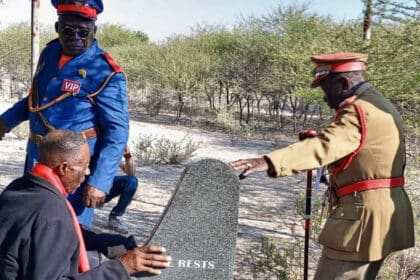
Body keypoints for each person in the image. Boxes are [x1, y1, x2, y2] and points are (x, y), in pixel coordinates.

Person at [230, 52, 414, 279]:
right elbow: (365, 155)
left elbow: (327, 145)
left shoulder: (358, 109)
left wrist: (267, 161)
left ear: (344, 83)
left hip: (362, 218)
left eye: (326, 90)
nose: (325, 98)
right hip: (383, 211)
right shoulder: (379, 103)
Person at [0, 0, 129, 227]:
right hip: (37, 157)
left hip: (72, 168)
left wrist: (100, 180)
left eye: (83, 32)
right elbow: (37, 100)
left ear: (94, 30)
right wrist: (6, 121)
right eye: (68, 30)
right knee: (30, 224)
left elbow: (117, 131)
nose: (75, 38)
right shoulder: (50, 53)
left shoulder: (105, 71)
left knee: (68, 231)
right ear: (58, 28)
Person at [0, 130, 170, 279]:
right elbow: (50, 227)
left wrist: (101, 241)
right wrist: (122, 267)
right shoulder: (52, 212)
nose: (87, 172)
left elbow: (42, 233)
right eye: (85, 166)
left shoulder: (22, 187)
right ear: (64, 168)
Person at [105, 146, 139, 234]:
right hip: (86, 187)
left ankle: (114, 217)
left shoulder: (112, 144)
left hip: (105, 187)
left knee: (131, 181)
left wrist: (127, 156)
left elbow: (131, 173)